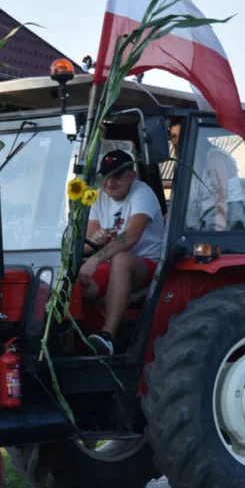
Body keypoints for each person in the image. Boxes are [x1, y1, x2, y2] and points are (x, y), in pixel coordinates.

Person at [79, 149, 165, 355]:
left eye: (116, 176)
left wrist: (95, 259)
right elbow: (87, 243)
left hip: (147, 265)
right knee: (78, 285)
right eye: (105, 177)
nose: (109, 183)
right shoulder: (98, 196)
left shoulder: (142, 193)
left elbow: (132, 235)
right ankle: (70, 340)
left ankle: (108, 335)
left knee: (121, 259)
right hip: (109, 262)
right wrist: (96, 241)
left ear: (131, 176)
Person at [168, 118, 245, 231]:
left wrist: (216, 237)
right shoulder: (187, 164)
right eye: (173, 137)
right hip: (199, 229)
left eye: (181, 136)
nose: (176, 142)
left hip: (227, 229)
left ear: (194, 135)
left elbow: (221, 198)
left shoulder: (215, 158)